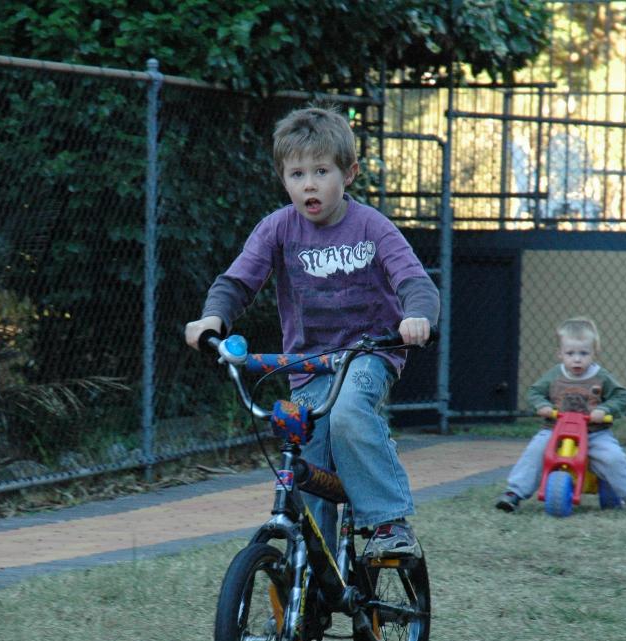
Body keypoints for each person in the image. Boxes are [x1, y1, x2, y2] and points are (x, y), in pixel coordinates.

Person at [184, 104, 439, 558]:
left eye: (321, 171)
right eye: (297, 174)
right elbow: (238, 281)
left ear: (350, 173)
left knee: (346, 415)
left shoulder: (372, 227)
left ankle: (387, 522)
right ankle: (308, 577)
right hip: (306, 366)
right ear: (283, 180)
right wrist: (212, 319)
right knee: (303, 456)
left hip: (367, 355)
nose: (309, 184)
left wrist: (415, 316)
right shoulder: (278, 229)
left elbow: (414, 281)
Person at [495, 316, 626, 518]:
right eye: (570, 353)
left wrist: (604, 410)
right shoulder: (554, 375)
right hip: (555, 430)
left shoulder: (601, 376)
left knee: (613, 457)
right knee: (535, 451)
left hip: (594, 433)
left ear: (594, 353)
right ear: (560, 354)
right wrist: (542, 405)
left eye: (584, 353)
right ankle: (514, 493)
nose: (577, 359)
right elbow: (534, 392)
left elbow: (621, 396)